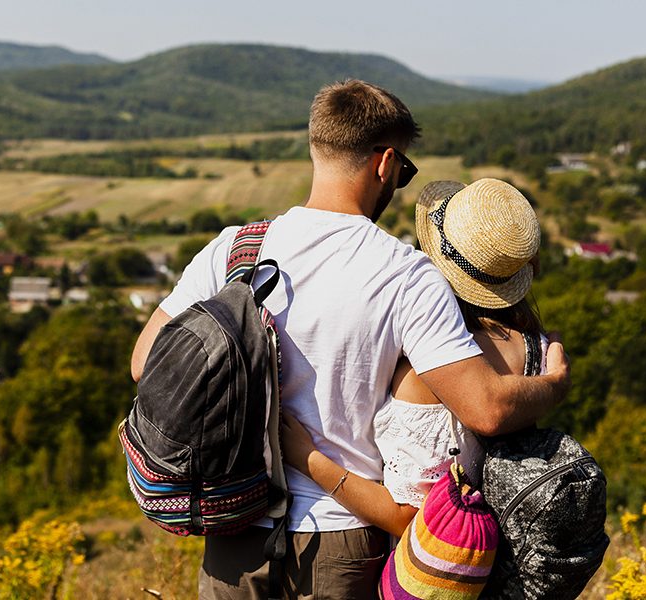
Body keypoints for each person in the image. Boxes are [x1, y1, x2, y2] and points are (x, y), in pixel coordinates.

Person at [130, 80, 570, 600]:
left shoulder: (235, 249)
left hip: (235, 526)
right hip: (341, 541)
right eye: (403, 171)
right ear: (385, 164)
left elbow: (145, 363)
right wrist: (556, 382)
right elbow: (487, 410)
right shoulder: (405, 274)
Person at [281, 177, 549, 550]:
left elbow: (410, 518)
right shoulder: (540, 348)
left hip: (436, 573)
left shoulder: (425, 376)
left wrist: (305, 457)